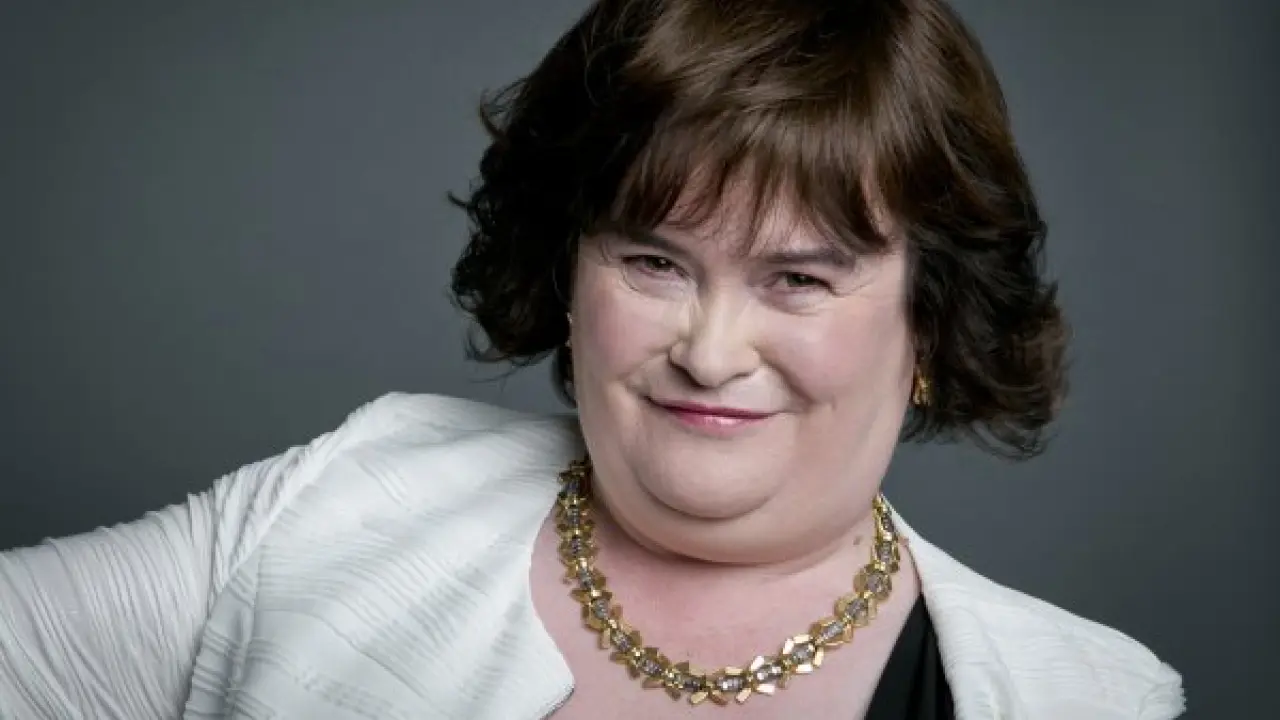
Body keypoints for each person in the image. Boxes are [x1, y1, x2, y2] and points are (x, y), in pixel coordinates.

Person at [0, 0, 1184, 718]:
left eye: (798, 279)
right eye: (654, 262)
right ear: (568, 270)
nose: (708, 353)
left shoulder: (1084, 699)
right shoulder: (341, 500)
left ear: (928, 318)